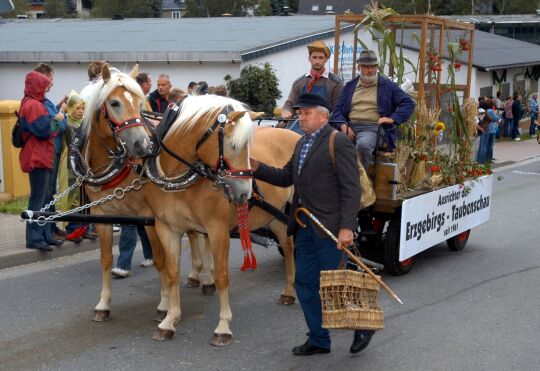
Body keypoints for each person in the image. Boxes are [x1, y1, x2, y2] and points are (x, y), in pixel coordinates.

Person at [250, 93, 375, 356]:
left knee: (336, 282)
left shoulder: (337, 142)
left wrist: (347, 227)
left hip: (330, 226)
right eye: (299, 112)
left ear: (323, 116)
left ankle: (363, 324)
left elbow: (351, 189)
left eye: (306, 113)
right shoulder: (302, 143)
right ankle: (319, 338)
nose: (301, 117)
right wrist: (256, 167)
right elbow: (285, 177)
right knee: (305, 283)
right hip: (303, 224)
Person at [332, 50, 415, 169]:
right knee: (330, 144)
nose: (369, 70)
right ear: (359, 67)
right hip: (349, 127)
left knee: (363, 145)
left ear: (377, 67)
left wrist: (392, 119)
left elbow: (408, 103)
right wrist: (343, 124)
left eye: (372, 66)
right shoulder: (350, 86)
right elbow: (337, 110)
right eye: (365, 66)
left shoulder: (387, 86)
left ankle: (359, 180)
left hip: (372, 129)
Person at [19, 71, 64, 251]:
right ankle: (34, 238)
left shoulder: (34, 103)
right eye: (44, 86)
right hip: (37, 157)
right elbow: (44, 130)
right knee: (38, 199)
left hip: (41, 155)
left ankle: (45, 235)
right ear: (37, 86)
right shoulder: (33, 105)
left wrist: (54, 122)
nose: (46, 90)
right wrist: (58, 120)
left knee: (44, 198)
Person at [33, 63, 67, 241]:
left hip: (52, 151)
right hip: (47, 153)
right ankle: (42, 233)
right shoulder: (38, 104)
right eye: (51, 79)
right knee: (45, 196)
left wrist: (59, 109)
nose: (52, 83)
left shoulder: (45, 102)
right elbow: (54, 127)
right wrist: (61, 114)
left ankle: (50, 228)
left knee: (49, 194)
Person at [280, 40, 343, 135]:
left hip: (325, 126)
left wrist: (318, 120)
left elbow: (338, 110)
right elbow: (290, 104)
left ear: (326, 59)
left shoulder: (335, 83)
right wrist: (286, 112)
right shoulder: (299, 82)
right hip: (300, 124)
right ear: (309, 58)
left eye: (321, 58)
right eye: (314, 57)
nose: (317, 61)